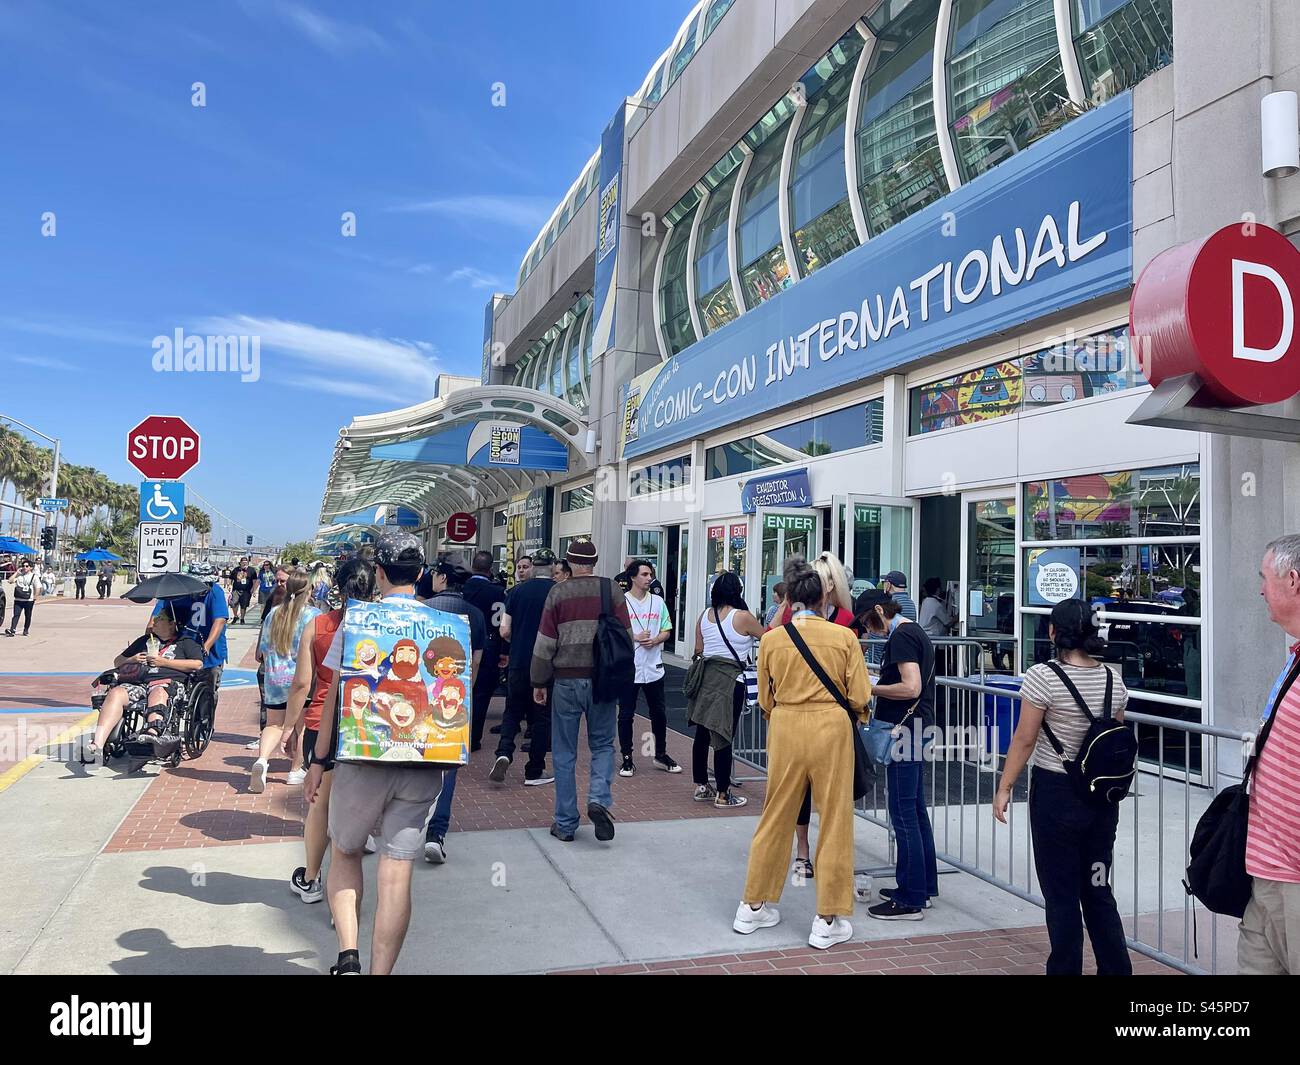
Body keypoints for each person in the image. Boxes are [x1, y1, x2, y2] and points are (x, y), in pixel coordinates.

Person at [304, 529, 447, 976]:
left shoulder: (359, 620)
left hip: (362, 757)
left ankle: (348, 957)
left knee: (345, 851)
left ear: (379, 573)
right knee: (397, 870)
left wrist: (317, 760)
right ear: (421, 574)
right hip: (422, 760)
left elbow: (331, 696)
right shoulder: (444, 623)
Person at [735, 558, 871, 948]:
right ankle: (826, 918)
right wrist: (855, 715)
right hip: (831, 728)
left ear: (791, 599)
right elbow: (860, 695)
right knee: (834, 819)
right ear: (824, 598)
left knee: (775, 814)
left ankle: (753, 904)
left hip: (787, 725)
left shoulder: (773, 640)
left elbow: (765, 696)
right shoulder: (844, 638)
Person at [993, 598, 1130, 973]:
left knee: (1062, 893)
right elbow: (1114, 736)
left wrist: (1005, 787)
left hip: (1056, 796)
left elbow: (1024, 738)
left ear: (1053, 632)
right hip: (1101, 802)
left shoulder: (1043, 677)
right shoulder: (1111, 679)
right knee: (1098, 888)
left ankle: (1066, 968)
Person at [281, 557, 376, 902]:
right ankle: (347, 887)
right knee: (355, 806)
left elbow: (302, 683)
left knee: (320, 805)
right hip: (367, 723)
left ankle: (310, 878)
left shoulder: (318, 625)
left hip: (324, 720)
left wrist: (288, 727)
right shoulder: (380, 625)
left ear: (337, 586)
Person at [530, 537, 629, 842]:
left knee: (564, 751)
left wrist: (538, 681)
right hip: (603, 680)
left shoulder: (557, 592)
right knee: (602, 745)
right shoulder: (611, 589)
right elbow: (626, 636)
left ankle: (565, 822)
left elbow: (545, 642)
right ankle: (598, 798)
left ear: (570, 563)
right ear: (595, 561)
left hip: (566, 680)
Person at [1237, 536, 1300, 974]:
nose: (1260, 589)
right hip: (1266, 873)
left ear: (1292, 580)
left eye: (1264, 577)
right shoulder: (1294, 658)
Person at [858, 589, 938, 921]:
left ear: (880, 610)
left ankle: (910, 898)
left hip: (904, 729)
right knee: (915, 810)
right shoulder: (914, 631)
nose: (867, 628)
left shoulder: (902, 635)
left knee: (904, 812)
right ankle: (921, 886)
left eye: (867, 620)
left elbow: (910, 687)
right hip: (917, 728)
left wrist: (870, 687)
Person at [419, 562, 486, 864]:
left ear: (443, 578)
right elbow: (475, 663)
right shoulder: (475, 614)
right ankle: (437, 832)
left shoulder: (423, 608)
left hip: (420, 696)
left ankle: (409, 826)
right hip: (456, 699)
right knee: (447, 766)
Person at [81, 605, 206, 764]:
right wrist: (131, 660)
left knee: (159, 690)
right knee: (116, 693)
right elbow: (117, 661)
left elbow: (197, 664)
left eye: (160, 618)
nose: (155, 620)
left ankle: (151, 735)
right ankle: (96, 745)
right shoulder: (144, 640)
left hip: (169, 683)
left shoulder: (185, 642)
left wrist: (164, 662)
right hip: (139, 682)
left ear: (172, 623)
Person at [688, 571, 763, 809]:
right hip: (731, 682)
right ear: (737, 591)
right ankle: (723, 793)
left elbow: (698, 649)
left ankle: (702, 786)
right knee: (724, 735)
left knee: (701, 733)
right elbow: (769, 638)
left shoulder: (704, 615)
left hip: (705, 679)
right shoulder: (742, 617)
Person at [249, 570, 320, 793]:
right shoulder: (313, 615)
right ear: (308, 591)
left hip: (274, 677)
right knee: (302, 726)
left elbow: (263, 650)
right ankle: (295, 770)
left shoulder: (274, 613)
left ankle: (262, 760)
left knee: (273, 724)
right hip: (301, 677)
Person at [493, 547, 556, 787]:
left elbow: (504, 630)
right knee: (540, 718)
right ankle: (534, 770)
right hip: (545, 664)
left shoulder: (516, 592)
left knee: (512, 710)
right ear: (552, 567)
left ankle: (504, 751)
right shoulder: (556, 592)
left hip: (518, 661)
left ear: (534, 567)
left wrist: (516, 641)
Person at [617, 559, 680, 777]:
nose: (648, 578)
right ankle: (627, 758)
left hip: (654, 666)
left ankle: (660, 754)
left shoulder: (658, 602)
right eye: (644, 574)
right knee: (626, 715)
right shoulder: (621, 602)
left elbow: (667, 628)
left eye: (650, 574)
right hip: (629, 667)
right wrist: (634, 636)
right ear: (632, 577)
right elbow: (614, 631)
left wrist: (656, 640)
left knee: (659, 713)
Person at [462, 550, 506, 753]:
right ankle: (474, 738)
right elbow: (501, 625)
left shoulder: (461, 587)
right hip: (490, 645)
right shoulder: (497, 592)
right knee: (481, 694)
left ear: (472, 566)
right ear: (490, 569)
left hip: (460, 642)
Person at [5, 560, 39, 637]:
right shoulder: (19, 576)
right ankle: (12, 630)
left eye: (27, 566)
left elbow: (38, 587)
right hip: (18, 599)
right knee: (16, 615)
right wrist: (16, 573)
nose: (25, 567)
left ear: (30, 568)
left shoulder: (34, 576)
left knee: (28, 616)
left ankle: (26, 630)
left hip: (28, 600)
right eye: (23, 566)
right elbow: (10, 581)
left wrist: (35, 597)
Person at [229, 557, 255, 624]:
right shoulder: (236, 569)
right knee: (234, 604)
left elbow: (254, 580)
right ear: (240, 563)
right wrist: (229, 585)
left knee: (244, 605)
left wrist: (253, 589)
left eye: (245, 562)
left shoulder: (251, 570)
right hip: (236, 589)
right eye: (243, 562)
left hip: (246, 590)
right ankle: (235, 616)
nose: (244, 564)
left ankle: (242, 619)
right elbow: (231, 578)